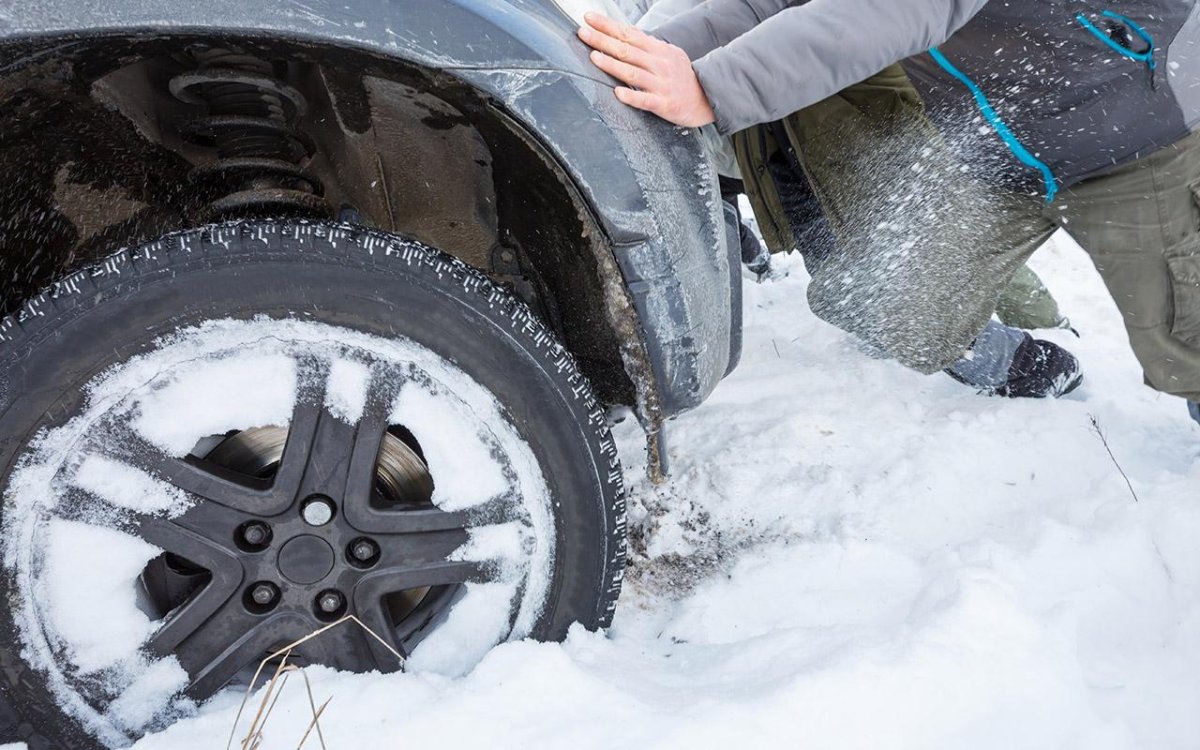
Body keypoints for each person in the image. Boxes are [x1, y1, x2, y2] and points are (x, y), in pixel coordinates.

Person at [577, 2, 1200, 423]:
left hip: (1136, 133)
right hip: (987, 131)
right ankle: (992, 353)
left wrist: (714, 86)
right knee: (882, 300)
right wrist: (629, 62)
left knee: (1183, 329)